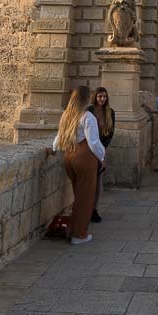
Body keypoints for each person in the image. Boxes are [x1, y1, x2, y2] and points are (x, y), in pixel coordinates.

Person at [50, 85, 105, 244]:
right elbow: (93, 142)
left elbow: (59, 137)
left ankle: (71, 229)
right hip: (84, 157)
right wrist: (102, 156)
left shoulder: (66, 115)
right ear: (86, 98)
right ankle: (79, 235)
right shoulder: (88, 117)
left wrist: (54, 149)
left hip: (69, 157)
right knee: (86, 198)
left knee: (78, 196)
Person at [88, 86, 115, 223]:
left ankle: (95, 209)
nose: (102, 99)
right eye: (100, 96)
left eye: (104, 96)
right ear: (95, 97)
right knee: (88, 180)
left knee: (99, 181)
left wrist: (102, 150)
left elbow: (110, 134)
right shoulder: (89, 111)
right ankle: (86, 207)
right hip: (88, 150)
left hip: (101, 150)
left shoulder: (110, 112)